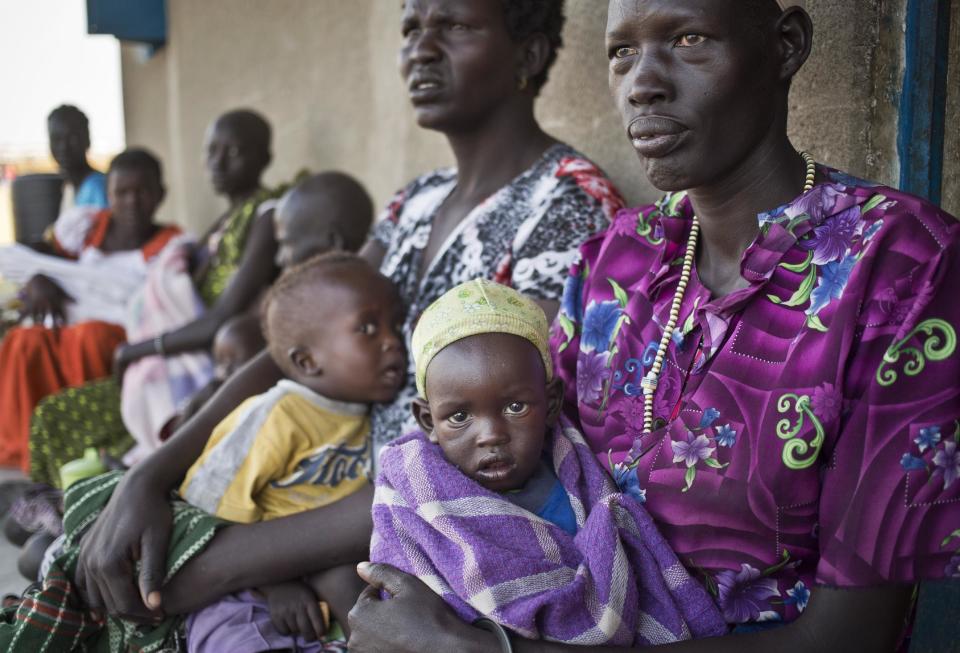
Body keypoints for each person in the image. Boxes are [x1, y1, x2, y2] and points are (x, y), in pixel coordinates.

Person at [344, 1, 960, 652]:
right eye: (621, 53)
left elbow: (850, 638)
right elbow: (485, 451)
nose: (643, 83)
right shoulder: (622, 256)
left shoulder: (903, 268)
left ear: (786, 45)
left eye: (689, 39)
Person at [74, 0, 620, 639]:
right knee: (91, 536)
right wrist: (151, 472)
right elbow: (295, 343)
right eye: (411, 29)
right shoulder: (412, 203)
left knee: (126, 587)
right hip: (311, 486)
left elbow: (497, 446)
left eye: (454, 27)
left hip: (424, 539)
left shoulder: (567, 207)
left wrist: (225, 562)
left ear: (526, 55)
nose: (421, 48)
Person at [374, 278, 726, 645]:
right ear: (428, 421)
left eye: (515, 407)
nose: (491, 434)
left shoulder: (579, 489)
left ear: (552, 403)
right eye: (459, 417)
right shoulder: (412, 491)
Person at [26, 109, 292, 473]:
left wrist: (136, 351)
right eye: (211, 150)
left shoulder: (264, 215)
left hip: (205, 372)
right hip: (170, 359)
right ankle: (60, 504)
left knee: (60, 421)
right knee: (51, 417)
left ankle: (76, 506)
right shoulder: (219, 225)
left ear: (265, 157)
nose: (218, 162)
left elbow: (221, 318)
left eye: (234, 151)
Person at [181, 254, 404, 652]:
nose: (392, 340)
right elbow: (204, 513)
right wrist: (274, 583)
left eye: (395, 325)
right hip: (245, 589)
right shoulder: (276, 416)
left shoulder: (366, 416)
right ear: (307, 360)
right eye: (368, 328)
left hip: (324, 588)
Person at [0, 148, 180, 471]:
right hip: (64, 320)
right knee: (23, 342)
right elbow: (40, 254)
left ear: (160, 195)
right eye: (121, 192)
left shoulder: (169, 245)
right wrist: (38, 279)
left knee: (91, 337)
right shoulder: (85, 226)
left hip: (121, 330)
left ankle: (82, 445)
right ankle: (23, 453)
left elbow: (160, 304)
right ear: (107, 194)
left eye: (142, 191)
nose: (131, 201)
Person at [46, 104, 108, 214]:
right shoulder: (69, 188)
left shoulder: (99, 188)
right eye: (56, 139)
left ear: (87, 139)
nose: (63, 147)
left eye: (72, 138)